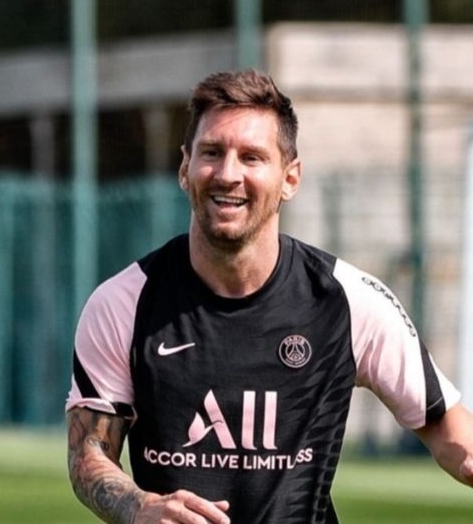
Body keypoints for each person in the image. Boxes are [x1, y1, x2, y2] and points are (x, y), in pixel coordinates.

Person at [65, 69, 473, 523]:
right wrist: (139, 506)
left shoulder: (347, 301)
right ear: (185, 167)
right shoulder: (124, 303)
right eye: (212, 152)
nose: (228, 174)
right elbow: (88, 454)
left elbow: (448, 427)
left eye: (252, 157)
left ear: (290, 178)